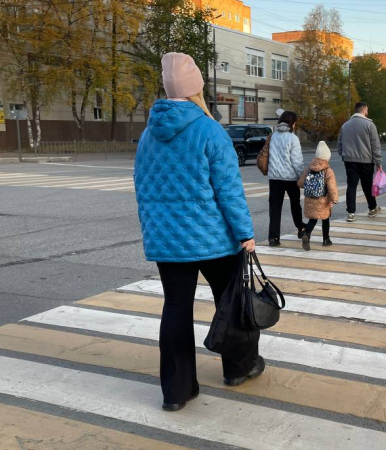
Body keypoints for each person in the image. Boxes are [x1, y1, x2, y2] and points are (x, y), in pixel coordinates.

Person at [133, 52, 263, 413]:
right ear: (197, 90)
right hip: (213, 239)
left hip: (167, 241)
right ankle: (239, 368)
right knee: (233, 302)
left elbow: (142, 187)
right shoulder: (209, 130)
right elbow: (229, 190)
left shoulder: (148, 135)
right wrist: (245, 234)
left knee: (175, 309)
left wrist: (154, 232)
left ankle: (176, 392)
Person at [266, 111, 306, 247]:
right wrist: (302, 176)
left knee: (275, 208)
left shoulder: (273, 136)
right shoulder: (292, 138)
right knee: (295, 204)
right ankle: (301, 228)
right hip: (290, 178)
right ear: (292, 123)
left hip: (274, 178)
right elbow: (296, 161)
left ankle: (273, 238)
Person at [338, 102, 382, 222]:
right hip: (366, 161)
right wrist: (378, 162)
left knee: (351, 186)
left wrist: (344, 155)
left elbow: (339, 144)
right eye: (367, 110)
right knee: (367, 185)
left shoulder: (345, 126)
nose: (367, 112)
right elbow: (375, 145)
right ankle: (372, 208)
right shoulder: (369, 125)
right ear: (363, 111)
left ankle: (351, 213)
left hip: (349, 160)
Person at [298, 141, 338, 250]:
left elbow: (300, 184)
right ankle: (326, 240)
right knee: (325, 219)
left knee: (313, 220)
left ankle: (307, 234)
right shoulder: (328, 170)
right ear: (327, 158)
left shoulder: (308, 168)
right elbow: (331, 187)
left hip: (310, 199)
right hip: (323, 200)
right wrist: (334, 199)